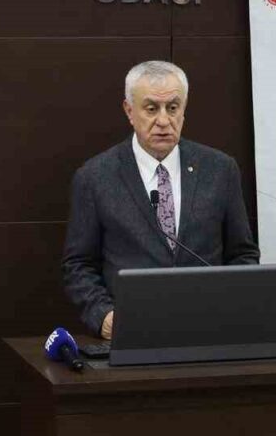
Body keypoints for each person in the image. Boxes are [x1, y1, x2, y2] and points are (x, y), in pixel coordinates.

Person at [61, 60, 259, 339]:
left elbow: (243, 255)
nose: (164, 121)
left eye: (173, 108)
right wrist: (103, 315)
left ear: (184, 109)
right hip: (132, 331)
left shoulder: (220, 170)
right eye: (152, 108)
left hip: (208, 329)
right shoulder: (95, 177)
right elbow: (78, 265)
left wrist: (228, 306)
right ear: (129, 111)